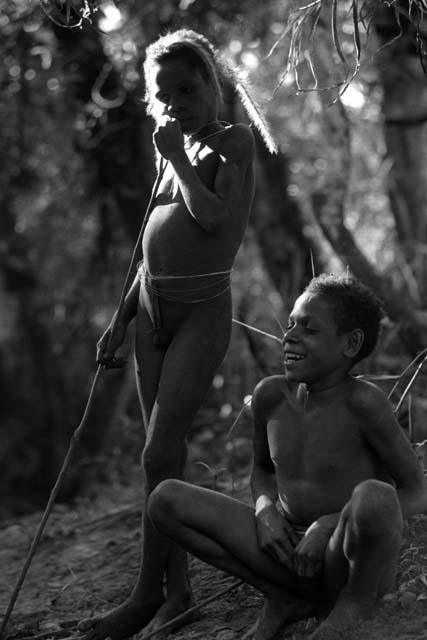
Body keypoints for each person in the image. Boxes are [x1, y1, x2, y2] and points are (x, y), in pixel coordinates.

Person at [78, 29, 276, 640]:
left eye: (187, 89)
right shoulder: (171, 156)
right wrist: (119, 322)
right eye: (164, 95)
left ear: (214, 84)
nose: (176, 104)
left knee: (158, 453)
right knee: (160, 460)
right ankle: (179, 595)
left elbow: (214, 221)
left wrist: (182, 161)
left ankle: (144, 596)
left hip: (201, 314)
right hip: (151, 318)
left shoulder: (231, 143)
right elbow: (146, 256)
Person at [148, 274, 427, 640]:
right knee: (166, 499)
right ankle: (283, 596)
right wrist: (265, 510)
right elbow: (262, 472)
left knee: (375, 496)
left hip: (344, 555)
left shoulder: (363, 403)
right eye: (291, 323)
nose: (289, 336)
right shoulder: (270, 396)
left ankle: (353, 606)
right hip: (284, 555)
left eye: (308, 329)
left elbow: (416, 491)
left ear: (351, 343)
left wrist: (329, 523)